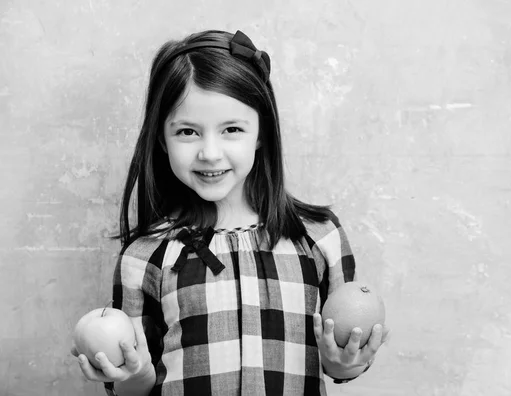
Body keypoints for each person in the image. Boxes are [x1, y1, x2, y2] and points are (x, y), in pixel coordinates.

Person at [72, 29, 390, 395]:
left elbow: (335, 362)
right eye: (188, 131)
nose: (209, 152)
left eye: (232, 129)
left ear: (260, 133)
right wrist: (130, 374)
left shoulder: (319, 237)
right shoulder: (145, 257)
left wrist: (346, 360)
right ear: (161, 138)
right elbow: (136, 385)